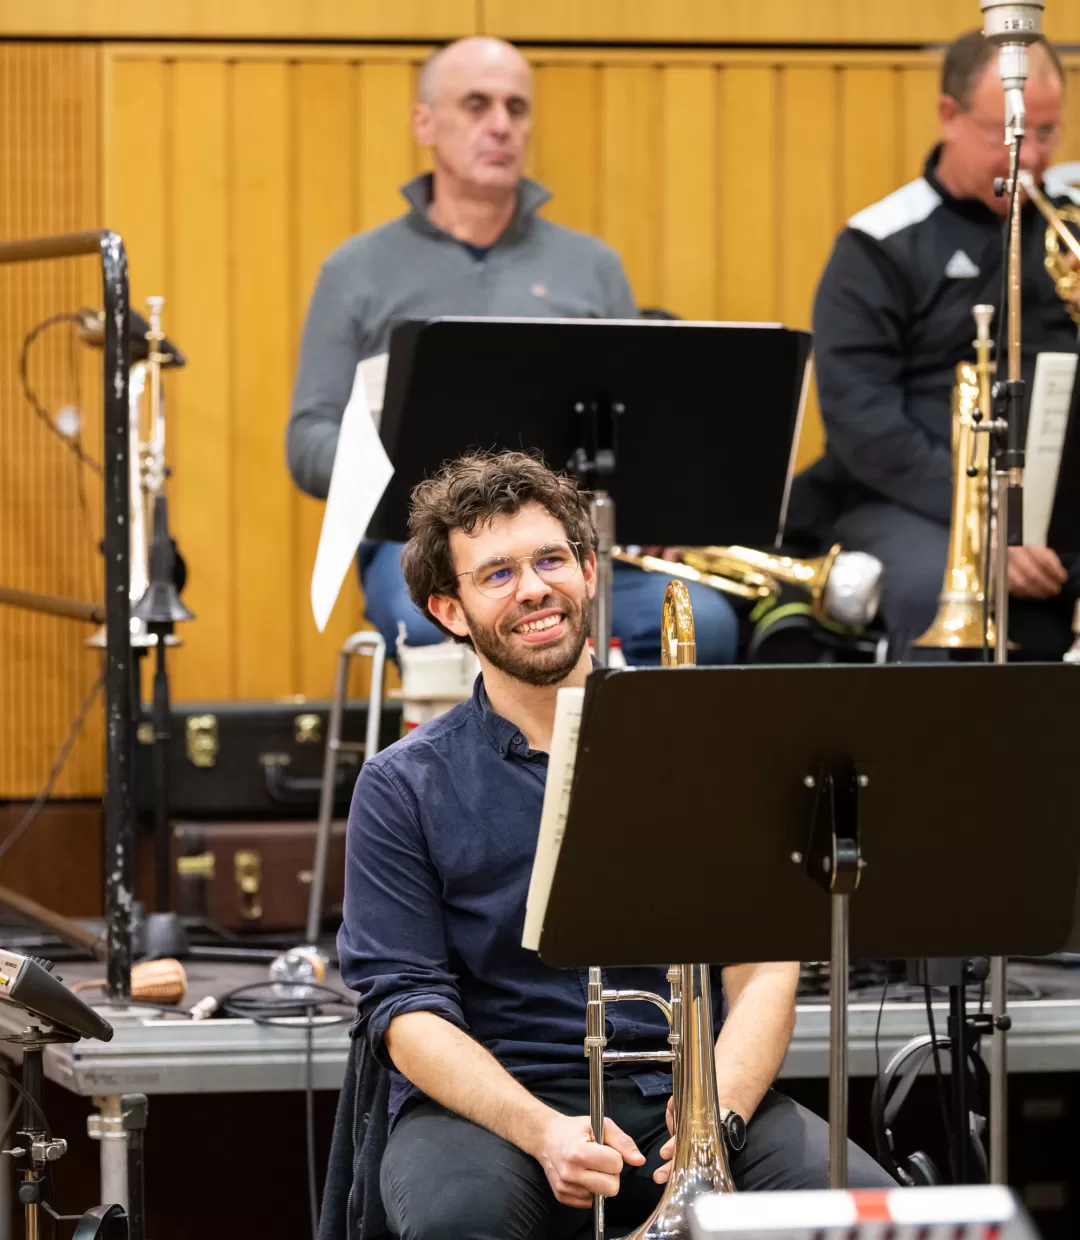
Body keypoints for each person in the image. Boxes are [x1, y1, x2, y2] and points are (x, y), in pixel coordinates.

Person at [338, 450, 894, 1240]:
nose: (533, 588)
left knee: (860, 1215)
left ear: (590, 571)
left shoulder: (705, 750)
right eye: (496, 574)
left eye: (550, 560)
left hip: (692, 1092)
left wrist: (717, 1127)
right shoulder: (402, 786)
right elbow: (407, 1012)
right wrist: (542, 1131)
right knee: (459, 1219)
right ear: (449, 610)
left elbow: (764, 964)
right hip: (498, 1107)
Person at [286, 36, 738, 666]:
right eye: (476, 104)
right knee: (428, 630)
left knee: (707, 625)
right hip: (426, 547)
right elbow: (307, 442)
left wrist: (659, 506)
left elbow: (636, 432)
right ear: (425, 122)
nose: (500, 125)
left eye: (515, 108)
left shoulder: (593, 267)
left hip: (573, 548)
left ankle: (611, 767)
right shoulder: (355, 271)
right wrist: (414, 466)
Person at [794, 30, 1080, 658]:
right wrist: (985, 525)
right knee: (946, 590)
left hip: (1057, 502)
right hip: (913, 501)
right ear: (950, 116)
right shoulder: (877, 243)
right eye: (1010, 135)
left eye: (1048, 133)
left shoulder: (1069, 227)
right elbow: (861, 420)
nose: (1029, 158)